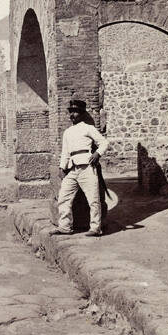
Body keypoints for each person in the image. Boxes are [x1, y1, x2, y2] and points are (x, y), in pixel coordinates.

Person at [50, 99, 109, 237]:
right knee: (63, 197)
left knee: (93, 199)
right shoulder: (67, 132)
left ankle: (95, 228)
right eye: (71, 112)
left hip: (87, 167)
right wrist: (61, 167)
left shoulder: (88, 128)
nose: (72, 115)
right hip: (72, 169)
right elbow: (65, 152)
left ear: (82, 113)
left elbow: (104, 143)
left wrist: (97, 154)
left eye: (75, 112)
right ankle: (65, 227)